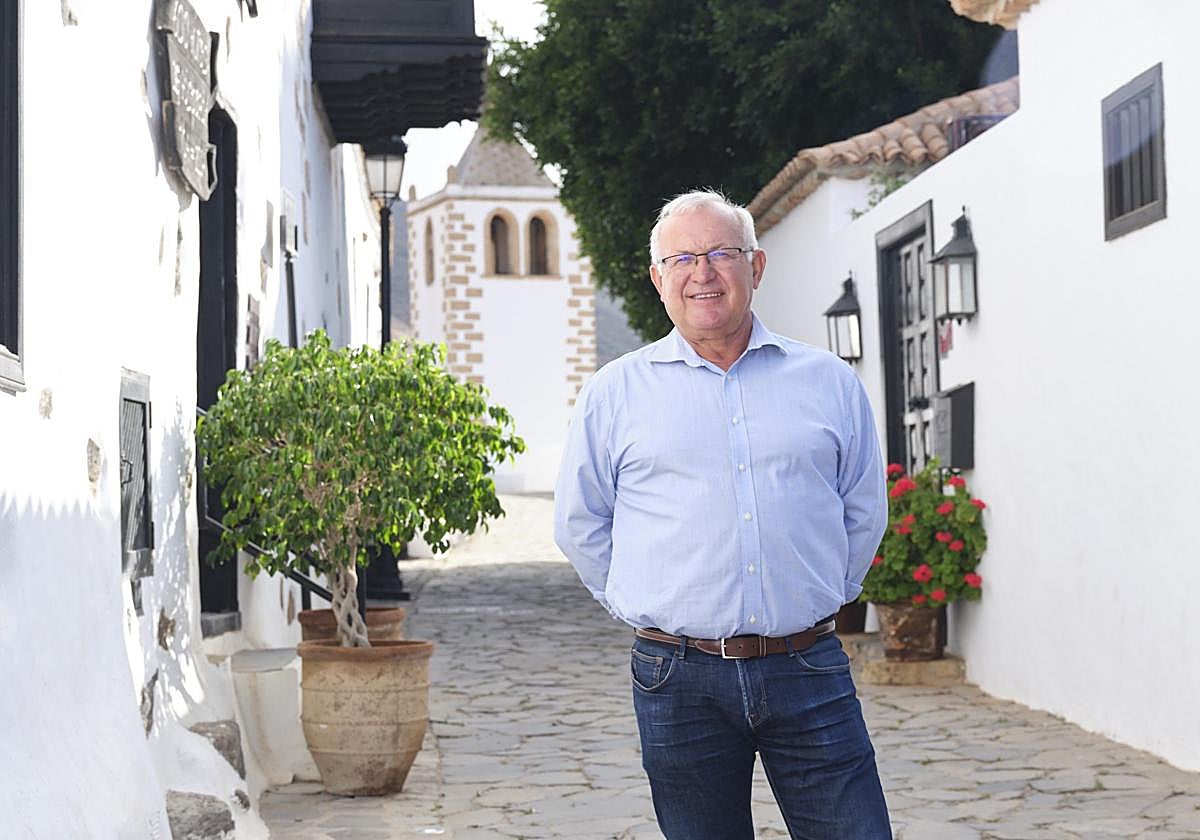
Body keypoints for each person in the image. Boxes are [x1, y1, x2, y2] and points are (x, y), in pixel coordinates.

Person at [554, 189, 892, 839]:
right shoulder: (615, 394)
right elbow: (581, 522)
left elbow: (863, 509)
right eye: (681, 258)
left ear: (756, 267)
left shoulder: (828, 383)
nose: (702, 272)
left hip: (808, 667)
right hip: (677, 680)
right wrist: (644, 606)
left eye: (721, 254)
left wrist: (822, 594)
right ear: (658, 279)